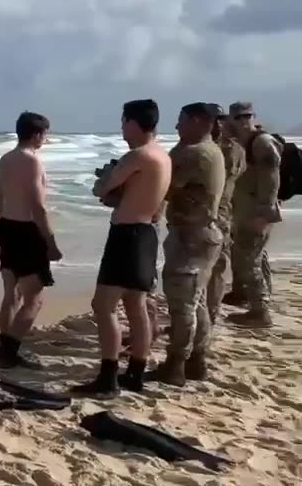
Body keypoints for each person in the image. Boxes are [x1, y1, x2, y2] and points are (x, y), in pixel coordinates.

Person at [72, 99, 170, 396]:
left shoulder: (137, 156)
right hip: (147, 233)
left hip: (126, 236)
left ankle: (108, 377)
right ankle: (136, 373)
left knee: (103, 306)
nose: (122, 128)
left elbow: (101, 189)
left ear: (132, 122)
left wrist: (106, 179)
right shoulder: (163, 157)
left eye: (123, 121)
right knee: (136, 305)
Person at [151, 102, 225, 385]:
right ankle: (197, 361)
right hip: (199, 235)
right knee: (197, 302)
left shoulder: (196, 154)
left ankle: (176, 365)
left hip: (191, 238)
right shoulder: (204, 150)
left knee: (183, 305)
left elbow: (163, 185)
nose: (177, 126)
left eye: (181, 121)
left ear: (196, 121)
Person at [0, 111, 62, 369]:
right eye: (45, 134)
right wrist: (51, 241)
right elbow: (38, 206)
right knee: (35, 297)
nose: (45, 139)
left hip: (6, 227)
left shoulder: (4, 160)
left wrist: (0, 231)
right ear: (36, 135)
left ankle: (4, 345)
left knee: (11, 293)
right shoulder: (32, 161)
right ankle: (9, 351)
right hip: (26, 231)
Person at [222, 101, 281, 328]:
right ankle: (258, 297)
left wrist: (265, 212)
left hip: (257, 211)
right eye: (238, 118)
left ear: (253, 117)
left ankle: (260, 311)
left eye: (246, 117)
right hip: (246, 210)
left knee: (249, 259)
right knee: (255, 254)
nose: (243, 122)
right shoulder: (244, 143)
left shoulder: (262, 143)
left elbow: (272, 178)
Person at [207, 107, 245, 328]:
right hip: (224, 212)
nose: (218, 125)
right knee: (216, 268)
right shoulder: (237, 149)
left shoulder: (215, 150)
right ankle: (209, 314)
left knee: (213, 269)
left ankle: (209, 315)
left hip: (215, 213)